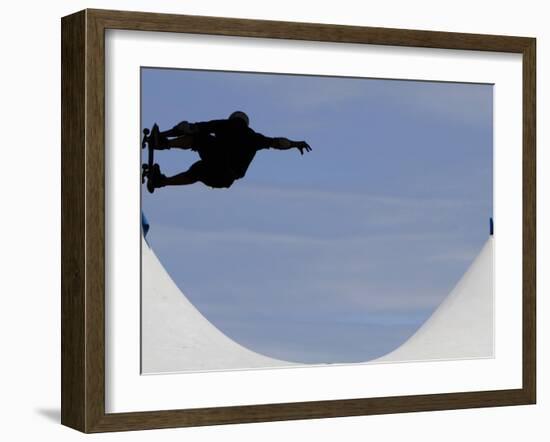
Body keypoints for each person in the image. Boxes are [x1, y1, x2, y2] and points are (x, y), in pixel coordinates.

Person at [147, 111, 312, 189]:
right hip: (224, 179)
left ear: (232, 119)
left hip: (218, 163)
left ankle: (163, 144)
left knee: (199, 138)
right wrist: (295, 144)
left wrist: (163, 135)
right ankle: (162, 182)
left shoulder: (225, 125)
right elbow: (279, 143)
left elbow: (190, 128)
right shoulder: (254, 138)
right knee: (197, 171)